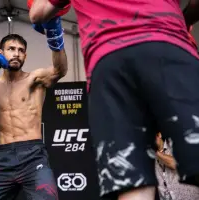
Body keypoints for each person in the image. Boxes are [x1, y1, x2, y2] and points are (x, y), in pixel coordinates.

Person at [29, 0, 199, 200]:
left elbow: (37, 12)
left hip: (110, 60)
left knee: (133, 186)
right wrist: (180, 20)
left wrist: (53, 29)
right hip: (167, 44)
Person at [0, 23, 68, 200]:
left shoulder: (34, 79)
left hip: (33, 156)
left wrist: (55, 39)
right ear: (0, 53)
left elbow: (60, 70)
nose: (16, 54)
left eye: (21, 50)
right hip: (4, 158)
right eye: (11, 49)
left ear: (25, 55)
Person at [155, 132, 199, 200]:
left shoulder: (175, 143)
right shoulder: (150, 155)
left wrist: (156, 152)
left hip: (187, 194)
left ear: (159, 135)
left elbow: (174, 164)